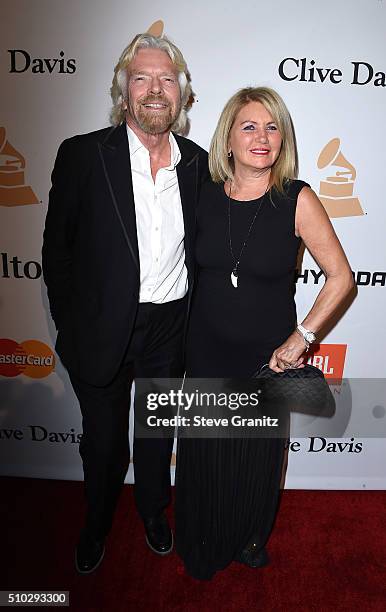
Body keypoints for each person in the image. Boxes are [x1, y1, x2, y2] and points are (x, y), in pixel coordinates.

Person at [42, 33, 208, 574]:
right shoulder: (84, 154)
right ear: (123, 91)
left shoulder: (199, 164)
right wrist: (73, 329)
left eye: (167, 79)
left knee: (158, 434)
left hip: (169, 326)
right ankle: (95, 521)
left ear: (181, 93)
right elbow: (56, 254)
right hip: (103, 327)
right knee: (106, 444)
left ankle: (154, 512)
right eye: (143, 78)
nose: (155, 89)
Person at [175, 87, 354, 580]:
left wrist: (301, 339)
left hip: (266, 360)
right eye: (249, 126)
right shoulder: (201, 192)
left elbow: (341, 277)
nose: (262, 137)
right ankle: (205, 539)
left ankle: (250, 537)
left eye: (272, 126)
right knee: (207, 458)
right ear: (227, 137)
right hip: (206, 353)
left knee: (256, 460)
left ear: (283, 138)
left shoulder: (297, 198)